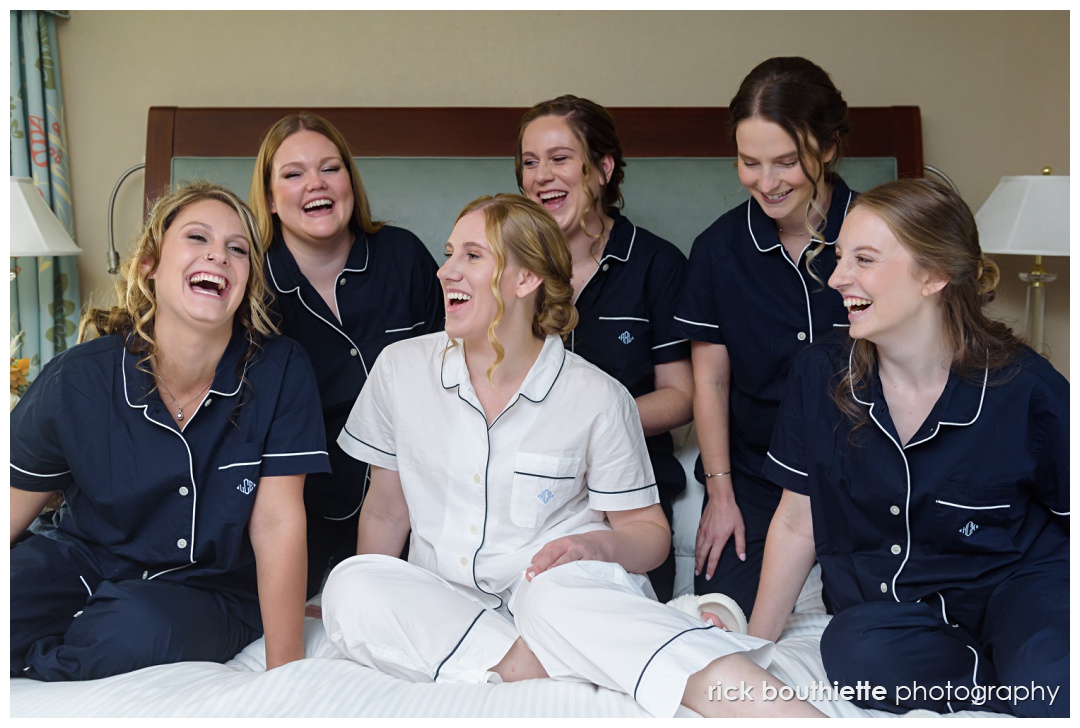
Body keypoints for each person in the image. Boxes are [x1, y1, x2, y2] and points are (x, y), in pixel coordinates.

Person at [319, 194, 823, 719]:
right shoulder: (400, 370)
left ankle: (778, 710)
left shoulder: (597, 396)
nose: (446, 272)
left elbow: (649, 536)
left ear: (526, 279)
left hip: (565, 595)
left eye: (472, 256)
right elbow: (385, 510)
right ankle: (581, 658)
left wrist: (595, 544)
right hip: (449, 603)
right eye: (449, 254)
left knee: (549, 599)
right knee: (351, 585)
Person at [749, 179, 1069, 718]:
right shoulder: (820, 374)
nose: (836, 277)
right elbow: (795, 521)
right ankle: (999, 682)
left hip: (1021, 589)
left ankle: (1023, 675)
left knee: (1054, 679)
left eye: (865, 259)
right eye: (838, 255)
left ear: (935, 276)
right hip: (896, 617)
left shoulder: (1027, 388)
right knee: (855, 652)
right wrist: (752, 648)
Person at [10, 182, 330, 681]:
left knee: (135, 629)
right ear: (149, 264)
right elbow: (12, 510)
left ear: (248, 279)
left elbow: (276, 524)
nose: (218, 256)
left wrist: (285, 674)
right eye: (197, 238)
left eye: (237, 249)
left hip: (207, 589)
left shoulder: (281, 371)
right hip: (82, 561)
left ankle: (40, 664)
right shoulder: (77, 379)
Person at [674, 57, 855, 616]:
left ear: (827, 148)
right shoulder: (717, 250)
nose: (767, 182)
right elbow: (710, 379)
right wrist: (720, 492)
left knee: (874, 620)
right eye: (749, 163)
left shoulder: (881, 234)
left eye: (786, 162)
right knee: (720, 613)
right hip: (757, 477)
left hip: (866, 470)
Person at [249, 112, 444, 597]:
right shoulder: (250, 284)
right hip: (303, 510)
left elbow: (460, 373)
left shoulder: (403, 255)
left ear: (349, 181)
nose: (316, 183)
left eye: (330, 168)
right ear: (271, 199)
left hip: (422, 499)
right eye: (293, 174)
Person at [516, 95, 693, 602]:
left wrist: (591, 428)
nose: (541, 176)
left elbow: (681, 396)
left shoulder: (656, 265)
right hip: (523, 493)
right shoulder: (510, 266)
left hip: (627, 500)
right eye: (530, 163)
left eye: (560, 158)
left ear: (602, 168)